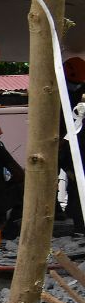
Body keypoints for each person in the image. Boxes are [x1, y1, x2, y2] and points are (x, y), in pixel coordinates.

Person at [59, 57, 85, 233]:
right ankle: (78, 222)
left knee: (76, 182)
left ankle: (75, 218)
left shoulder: (77, 91)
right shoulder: (57, 93)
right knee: (76, 182)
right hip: (64, 145)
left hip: (73, 145)